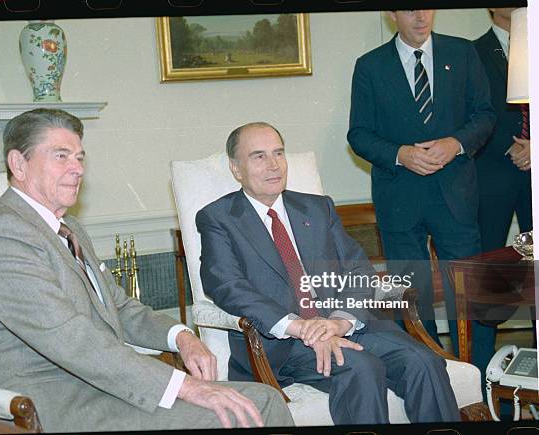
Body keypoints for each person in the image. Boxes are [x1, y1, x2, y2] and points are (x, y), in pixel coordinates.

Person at [0, 109, 293, 433]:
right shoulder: (4, 233)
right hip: (47, 404)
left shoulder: (67, 227)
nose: (77, 169)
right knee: (257, 406)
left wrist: (182, 336)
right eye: (61, 156)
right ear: (19, 163)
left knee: (261, 399)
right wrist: (185, 386)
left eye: (80, 157)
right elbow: (72, 340)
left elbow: (119, 306)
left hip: (96, 387)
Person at [196, 121, 461, 425]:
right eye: (258, 156)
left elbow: (357, 269)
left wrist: (338, 321)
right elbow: (226, 285)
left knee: (424, 361)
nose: (273, 165)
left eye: (278, 153)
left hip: (344, 324)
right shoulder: (218, 218)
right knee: (361, 368)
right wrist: (299, 327)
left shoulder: (317, 208)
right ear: (236, 168)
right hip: (284, 342)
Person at [347, 10, 496, 355]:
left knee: (470, 297)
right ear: (391, 14)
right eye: (410, 8)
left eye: (426, 6)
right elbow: (359, 134)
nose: (420, 15)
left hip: (456, 196)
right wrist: (401, 153)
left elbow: (485, 115)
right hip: (399, 198)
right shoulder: (370, 65)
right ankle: (428, 374)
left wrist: (454, 144)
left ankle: (479, 377)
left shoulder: (462, 53)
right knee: (411, 299)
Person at [473, 6, 533, 385]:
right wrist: (513, 146)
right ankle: (482, 381)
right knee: (488, 282)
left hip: (537, 177)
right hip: (490, 178)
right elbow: (471, 115)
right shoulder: (472, 52)